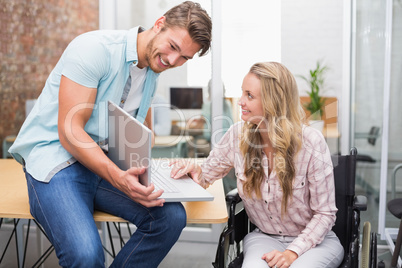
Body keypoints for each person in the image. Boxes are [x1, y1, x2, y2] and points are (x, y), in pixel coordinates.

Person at [9, 2, 212, 267]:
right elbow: (70, 131)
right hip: (57, 160)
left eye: (184, 57)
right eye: (173, 47)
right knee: (85, 254)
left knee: (171, 218)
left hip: (103, 166)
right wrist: (118, 177)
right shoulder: (95, 49)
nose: (173, 61)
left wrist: (165, 170)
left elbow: (143, 134)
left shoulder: (153, 70)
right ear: (159, 24)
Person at [170, 62, 344, 268]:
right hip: (264, 238)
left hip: (315, 243)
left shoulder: (311, 142)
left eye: (249, 96)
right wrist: (194, 171)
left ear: (273, 102)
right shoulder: (237, 135)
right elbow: (206, 175)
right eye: (242, 94)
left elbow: (325, 214)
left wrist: (292, 253)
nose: (240, 102)